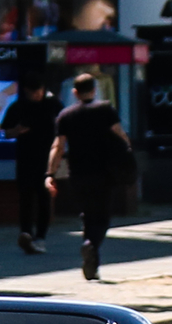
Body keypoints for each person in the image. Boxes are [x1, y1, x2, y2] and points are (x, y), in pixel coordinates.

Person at [46, 72, 132, 281]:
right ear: (94, 89)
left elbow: (58, 146)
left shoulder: (66, 115)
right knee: (102, 217)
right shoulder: (105, 110)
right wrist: (128, 153)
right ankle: (91, 245)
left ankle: (91, 257)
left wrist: (50, 173)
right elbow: (119, 133)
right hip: (103, 172)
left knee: (87, 214)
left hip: (78, 173)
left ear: (75, 92)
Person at [0, 76, 60, 253]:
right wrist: (17, 130)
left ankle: (40, 236)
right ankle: (26, 233)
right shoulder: (18, 107)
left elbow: (62, 127)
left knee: (44, 198)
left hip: (46, 159)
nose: (37, 95)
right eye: (33, 92)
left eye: (39, 91)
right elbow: (7, 133)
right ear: (26, 91)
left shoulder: (51, 105)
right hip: (25, 158)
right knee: (26, 198)